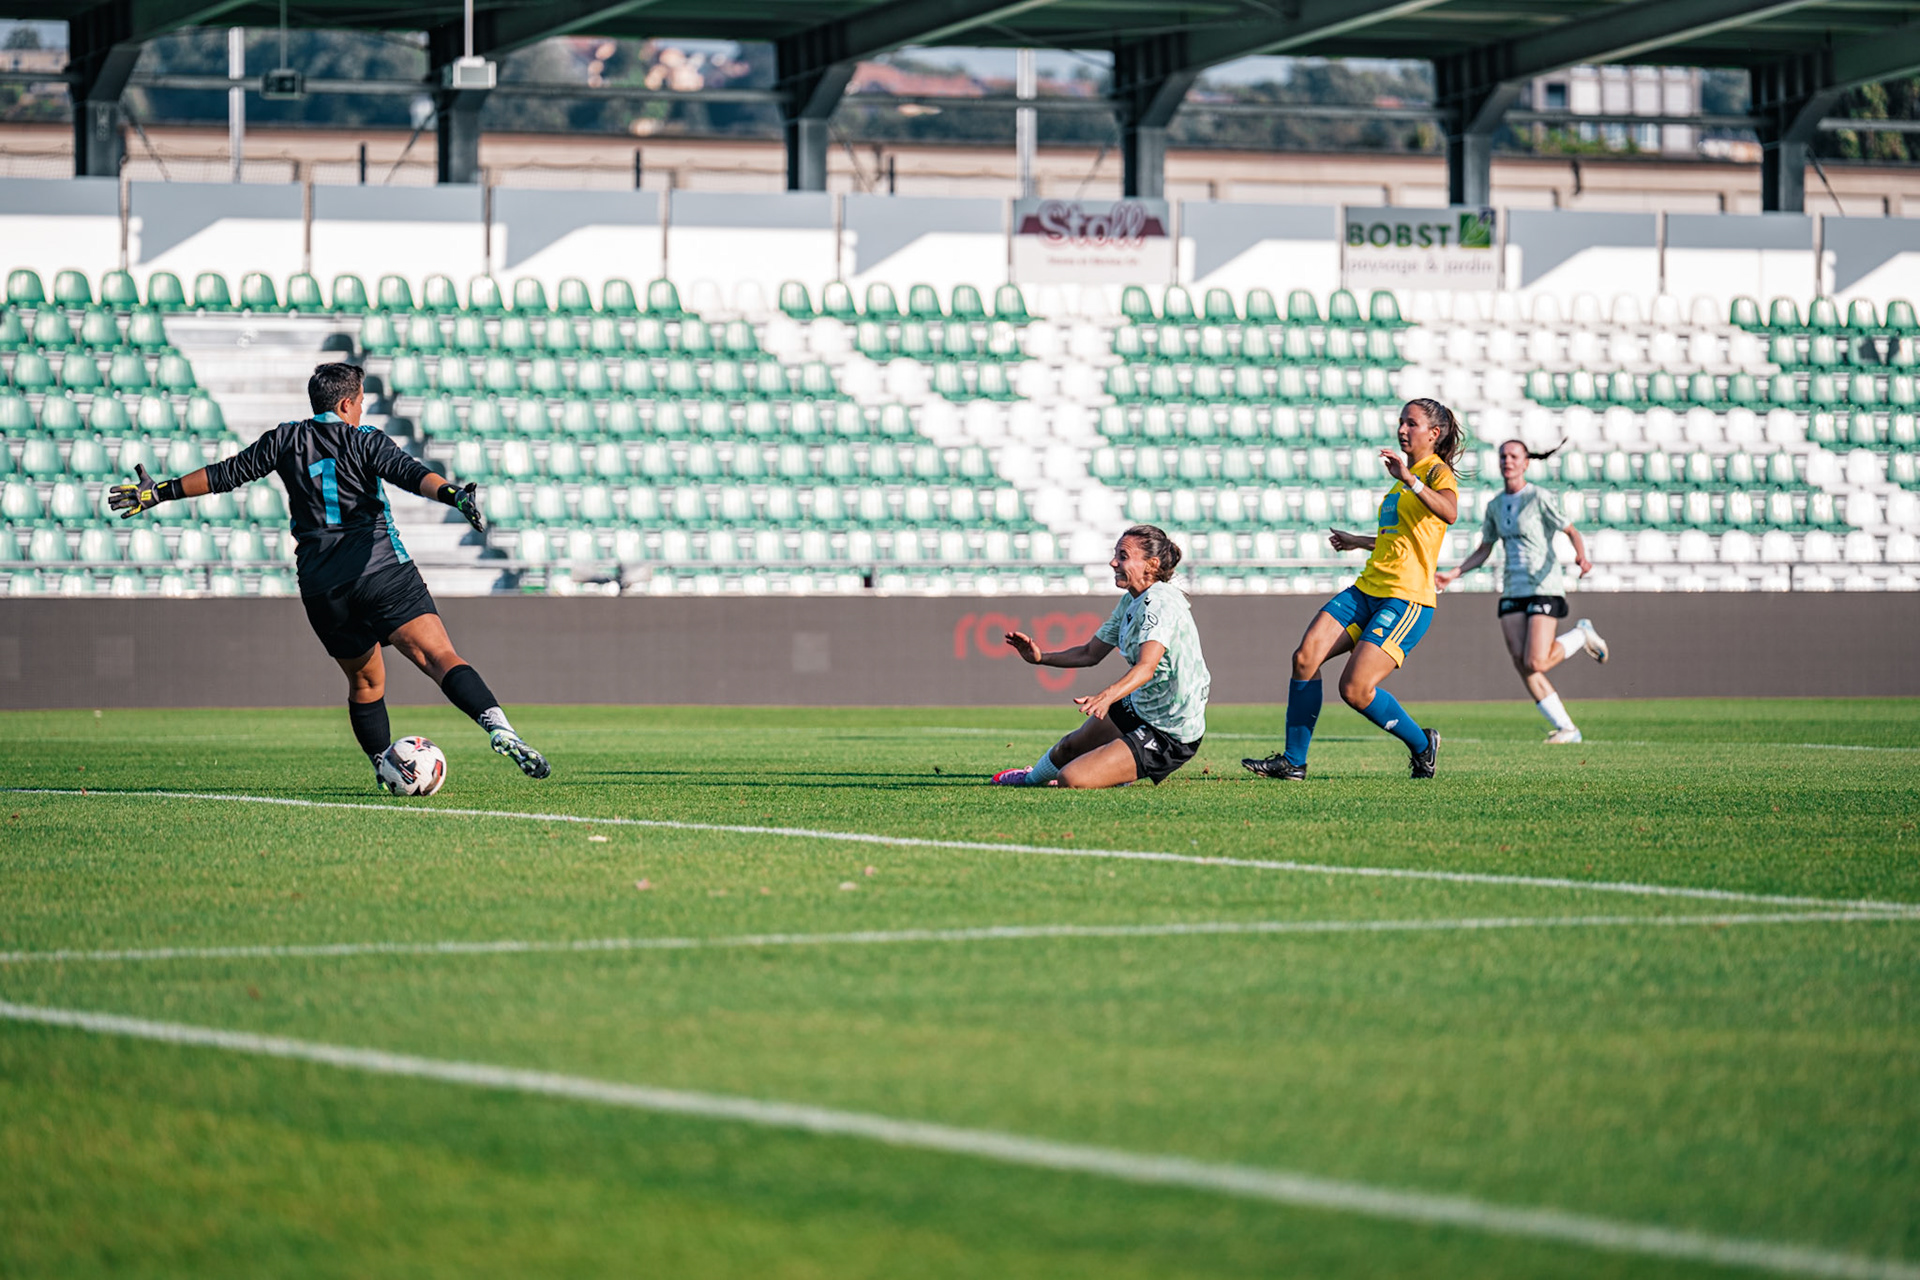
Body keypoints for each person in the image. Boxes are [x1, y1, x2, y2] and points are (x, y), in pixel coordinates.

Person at [107, 362, 550, 784]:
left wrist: (160, 492)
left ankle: (385, 765)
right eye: (360, 403)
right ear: (345, 404)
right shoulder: (365, 440)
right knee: (439, 657)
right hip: (380, 570)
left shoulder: (285, 439)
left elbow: (226, 474)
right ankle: (498, 727)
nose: (362, 411)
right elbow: (411, 475)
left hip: (323, 588)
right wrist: (454, 495)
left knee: (365, 681)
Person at [1243, 398, 1462, 782]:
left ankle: (1422, 744)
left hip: (1406, 598)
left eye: (1411, 423)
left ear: (1434, 433)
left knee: (1355, 689)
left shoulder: (1434, 472)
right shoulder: (1403, 481)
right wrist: (1357, 541)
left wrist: (1410, 480)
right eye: (1401, 421)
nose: (1402, 429)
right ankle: (1294, 762)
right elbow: (1399, 540)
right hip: (1367, 588)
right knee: (1305, 657)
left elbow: (1450, 512)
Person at [992, 525, 1210, 789]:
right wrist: (1040, 658)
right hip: (1142, 705)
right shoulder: (1131, 601)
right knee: (1068, 747)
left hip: (1171, 729)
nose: (1113, 562)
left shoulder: (1160, 603)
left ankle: (1118, 774)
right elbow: (1090, 653)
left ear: (1151, 565)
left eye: (1123, 556)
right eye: (1115, 554)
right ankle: (1029, 779)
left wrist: (1107, 696)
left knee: (1071, 779)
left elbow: (1146, 667)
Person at [1435, 438, 1610, 743]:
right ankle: (1568, 728)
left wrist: (1581, 556)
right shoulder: (1495, 505)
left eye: (1514, 456)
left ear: (1526, 462)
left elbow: (1570, 529)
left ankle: (1582, 634)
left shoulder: (1538, 497)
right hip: (1512, 588)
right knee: (1522, 662)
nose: (1508, 461)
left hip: (1543, 585)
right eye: (1503, 456)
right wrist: (1454, 573)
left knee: (1536, 661)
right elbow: (1485, 548)